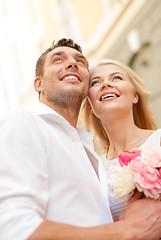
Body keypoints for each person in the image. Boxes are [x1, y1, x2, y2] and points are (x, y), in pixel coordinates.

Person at [0, 39, 161, 240]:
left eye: (80, 62)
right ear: (39, 83)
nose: (72, 63)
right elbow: (14, 230)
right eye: (58, 59)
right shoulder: (23, 123)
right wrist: (130, 230)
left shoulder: (89, 154)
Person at [80, 58, 161, 221]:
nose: (106, 84)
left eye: (116, 78)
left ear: (135, 96)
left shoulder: (158, 141)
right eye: (95, 82)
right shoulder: (94, 169)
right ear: (91, 107)